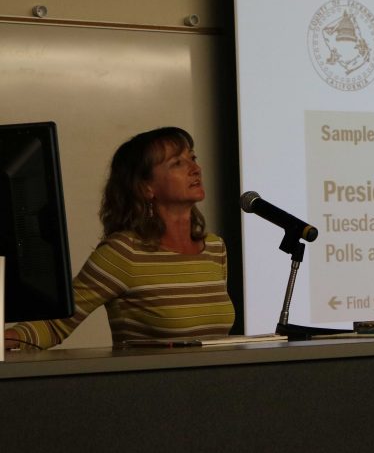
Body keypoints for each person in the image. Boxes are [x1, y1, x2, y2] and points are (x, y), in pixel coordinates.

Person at [3, 127, 235, 350]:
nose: (195, 168)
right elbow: (57, 324)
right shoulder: (124, 252)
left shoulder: (215, 248)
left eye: (193, 158)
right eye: (177, 163)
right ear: (146, 188)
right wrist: (9, 339)